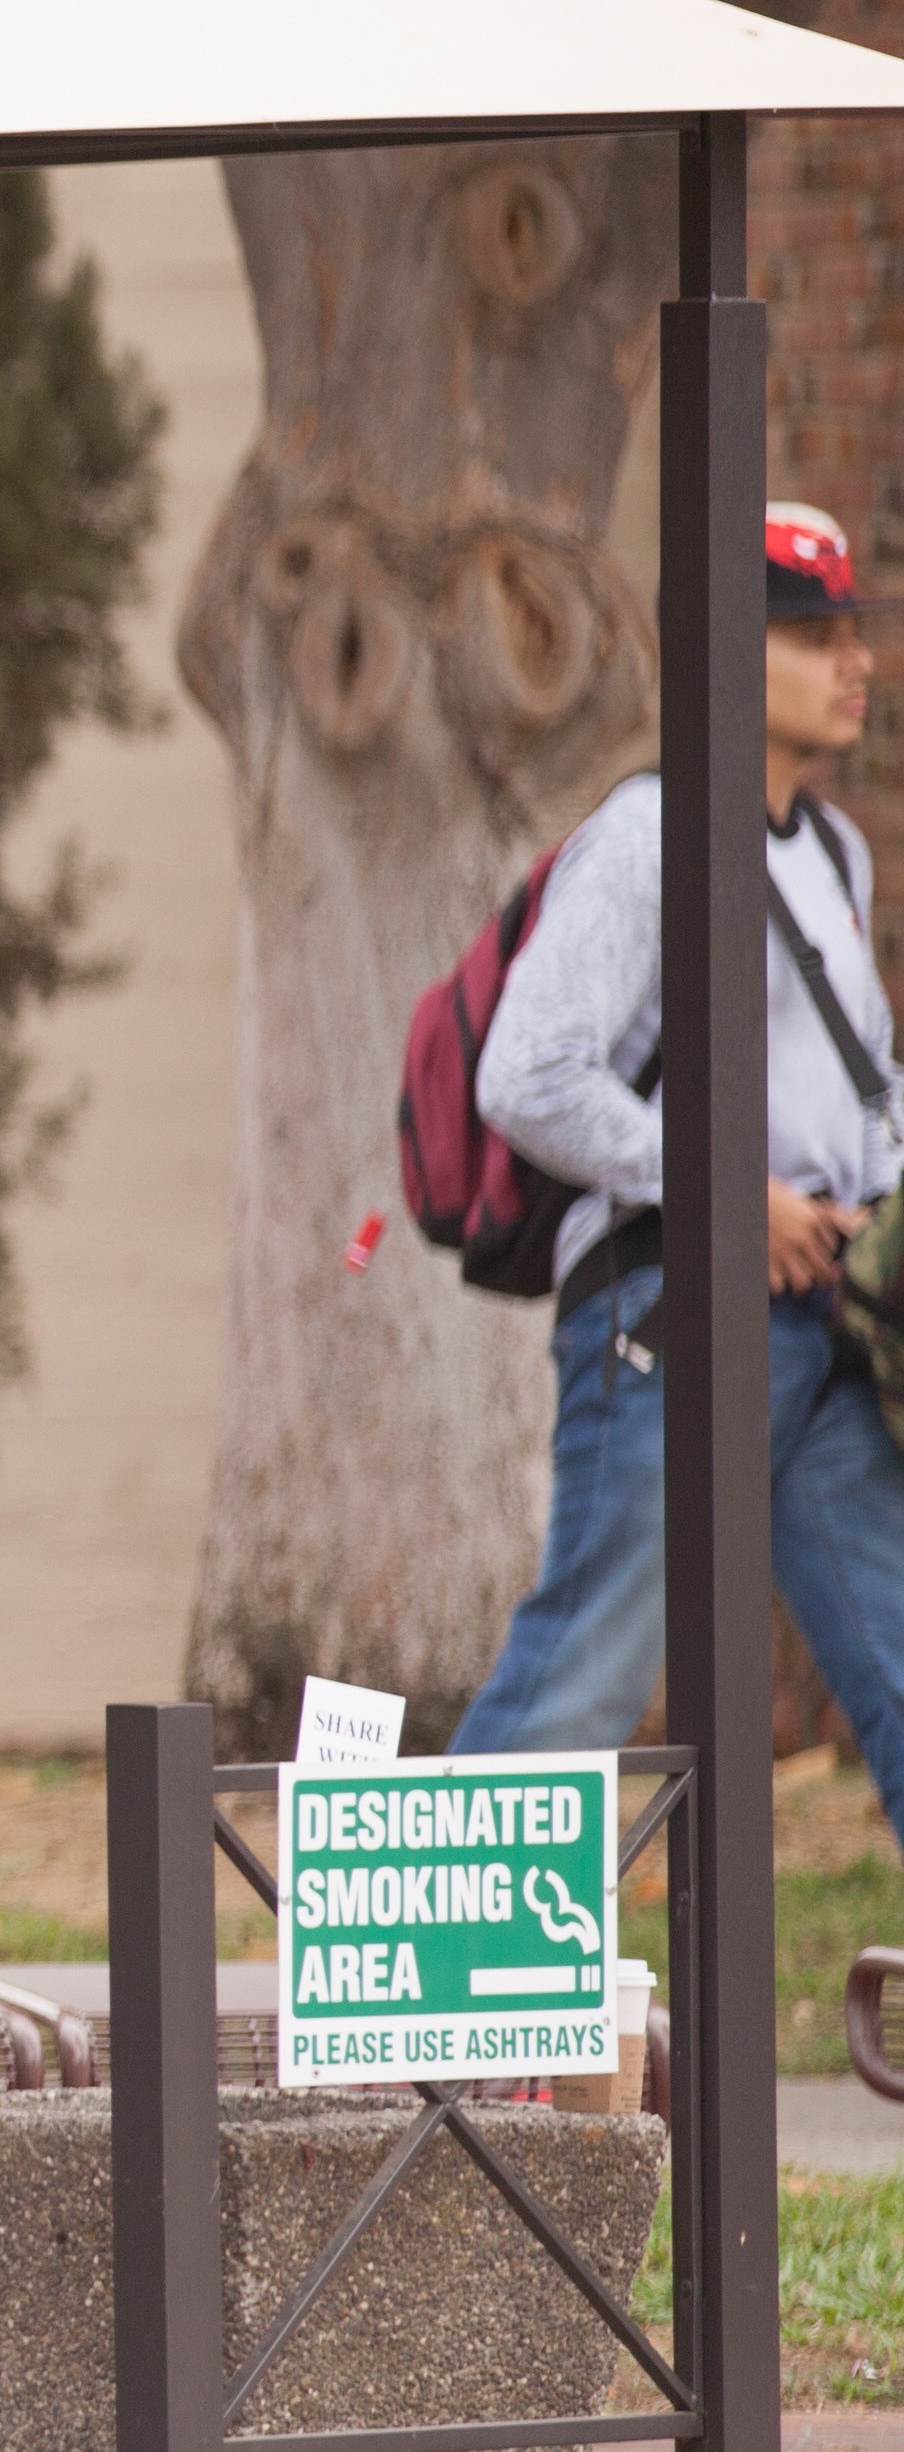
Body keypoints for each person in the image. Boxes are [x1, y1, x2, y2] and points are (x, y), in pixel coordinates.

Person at [463, 498, 904, 1816]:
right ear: (727, 650)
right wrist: (730, 1198)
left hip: (823, 1325)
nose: (856, 663)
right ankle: (421, 2010)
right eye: (813, 633)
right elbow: (523, 1075)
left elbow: (853, 1090)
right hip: (673, 1314)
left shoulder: (836, 853)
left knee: (897, 1660)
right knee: (582, 1686)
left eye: (853, 635)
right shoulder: (646, 842)